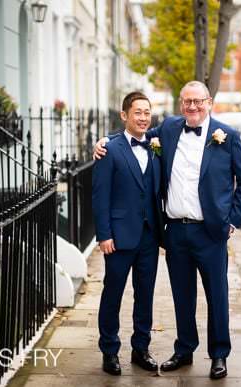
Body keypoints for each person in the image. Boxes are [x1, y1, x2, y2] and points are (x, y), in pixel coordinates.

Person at [95, 81, 241, 379]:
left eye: (198, 102)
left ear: (209, 102)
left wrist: (232, 220)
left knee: (216, 296)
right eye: (187, 102)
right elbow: (136, 137)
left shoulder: (227, 136)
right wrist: (103, 141)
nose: (192, 107)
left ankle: (219, 354)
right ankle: (184, 349)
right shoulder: (168, 130)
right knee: (182, 295)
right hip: (175, 232)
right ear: (181, 104)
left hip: (211, 232)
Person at [92, 91, 163, 376]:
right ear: (124, 115)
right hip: (119, 236)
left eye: (147, 112)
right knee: (113, 294)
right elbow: (100, 196)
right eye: (138, 112)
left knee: (145, 295)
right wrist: (103, 234)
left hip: (149, 236)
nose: (144, 117)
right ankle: (109, 350)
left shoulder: (157, 145)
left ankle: (140, 349)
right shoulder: (109, 148)